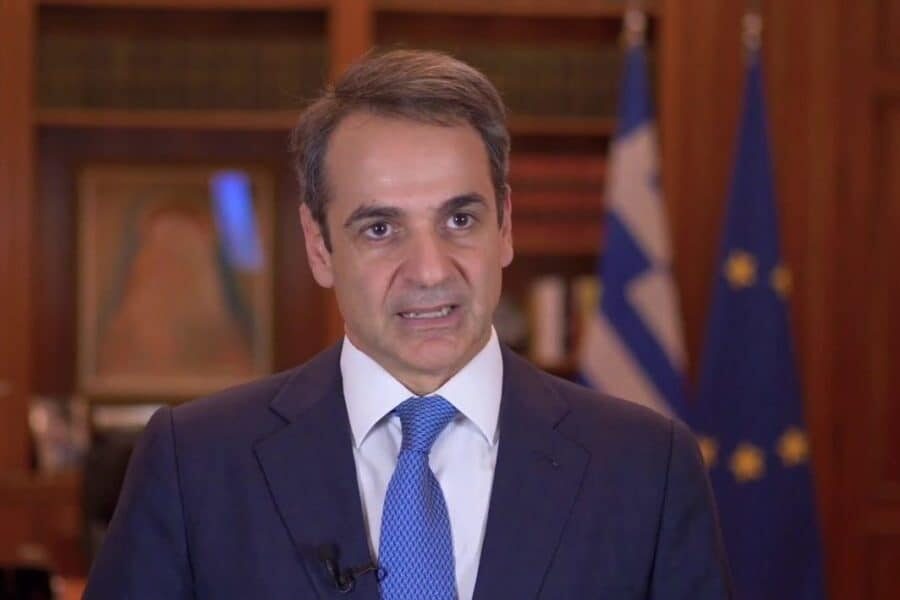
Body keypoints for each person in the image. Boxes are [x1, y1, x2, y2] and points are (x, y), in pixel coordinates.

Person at [84, 49, 732, 599]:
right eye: (380, 229)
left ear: (505, 225)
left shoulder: (647, 468)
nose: (429, 270)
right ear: (319, 246)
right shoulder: (195, 463)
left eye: (459, 220)